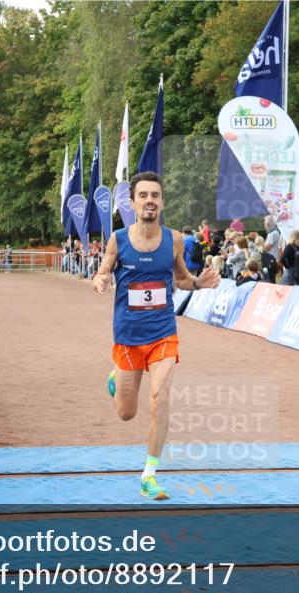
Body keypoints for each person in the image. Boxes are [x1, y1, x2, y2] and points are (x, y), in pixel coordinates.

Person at [93, 172, 220, 501]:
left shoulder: (174, 240)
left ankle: (149, 475)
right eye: (143, 195)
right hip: (128, 336)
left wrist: (198, 283)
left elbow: (182, 278)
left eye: (155, 195)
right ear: (132, 203)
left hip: (163, 333)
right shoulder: (118, 239)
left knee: (159, 401)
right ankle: (116, 377)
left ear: (162, 202)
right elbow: (104, 269)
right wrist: (101, 278)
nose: (149, 200)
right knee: (126, 413)